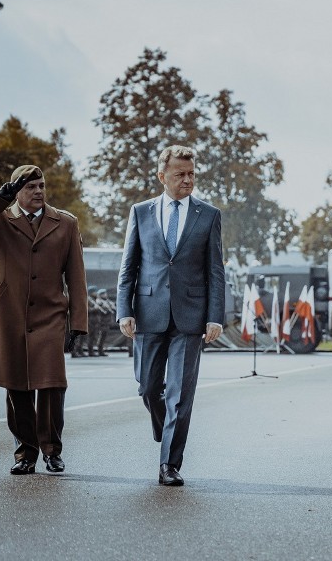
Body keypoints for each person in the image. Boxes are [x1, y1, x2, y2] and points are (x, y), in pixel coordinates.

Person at [0, 164, 88, 475]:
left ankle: (52, 451)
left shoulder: (66, 223)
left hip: (50, 314)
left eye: (41, 186)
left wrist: (79, 322)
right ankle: (25, 453)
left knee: (52, 385)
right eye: (30, 187)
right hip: (10, 315)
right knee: (17, 388)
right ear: (17, 191)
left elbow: (76, 276)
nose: (39, 192)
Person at [116, 145, 225, 487]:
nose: (188, 180)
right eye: (180, 174)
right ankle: (164, 427)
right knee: (148, 388)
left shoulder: (208, 215)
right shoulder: (141, 212)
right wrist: (124, 310)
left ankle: (169, 464)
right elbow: (128, 266)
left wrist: (215, 316)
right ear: (162, 177)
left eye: (192, 174)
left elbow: (215, 272)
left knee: (180, 394)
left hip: (190, 318)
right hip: (148, 314)